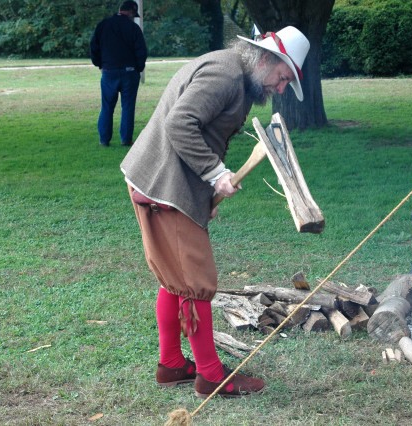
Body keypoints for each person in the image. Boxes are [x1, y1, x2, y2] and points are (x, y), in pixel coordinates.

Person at [120, 26, 310, 398]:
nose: (281, 88)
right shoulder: (225, 74)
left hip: (167, 185)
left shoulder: (237, 76)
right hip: (165, 188)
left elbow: (202, 133)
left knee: (173, 280)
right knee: (196, 282)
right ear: (266, 59)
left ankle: (172, 364)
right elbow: (180, 123)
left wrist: (204, 190)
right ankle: (211, 377)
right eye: (282, 77)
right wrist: (215, 174)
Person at [90, 0, 148, 147]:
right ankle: (126, 139)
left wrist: (100, 64)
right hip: (129, 73)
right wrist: (138, 69)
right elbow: (141, 51)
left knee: (107, 107)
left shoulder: (103, 25)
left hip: (109, 72)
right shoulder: (133, 28)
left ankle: (104, 140)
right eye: (134, 15)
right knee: (128, 107)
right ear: (131, 11)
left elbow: (94, 47)